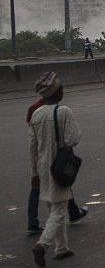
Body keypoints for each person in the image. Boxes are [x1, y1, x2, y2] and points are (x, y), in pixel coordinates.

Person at [28, 72, 81, 268]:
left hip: (42, 165)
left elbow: (32, 147)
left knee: (52, 206)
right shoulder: (63, 111)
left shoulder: (36, 114)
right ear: (57, 92)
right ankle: (43, 244)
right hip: (59, 165)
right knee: (60, 209)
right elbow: (73, 138)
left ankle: (62, 248)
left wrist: (33, 173)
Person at [26, 91, 87, 236]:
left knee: (40, 187)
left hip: (42, 156)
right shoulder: (61, 110)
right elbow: (71, 138)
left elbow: (32, 139)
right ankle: (44, 241)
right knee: (62, 186)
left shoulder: (33, 110)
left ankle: (34, 221)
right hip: (59, 156)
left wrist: (33, 170)